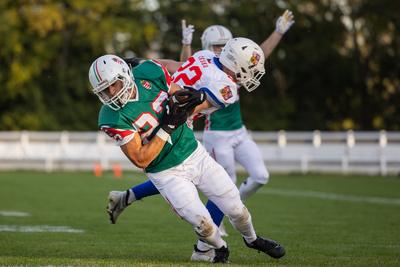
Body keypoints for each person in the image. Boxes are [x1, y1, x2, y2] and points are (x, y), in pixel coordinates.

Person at [117, 10, 294, 262]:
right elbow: (192, 106)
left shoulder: (205, 56)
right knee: (201, 188)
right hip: (173, 122)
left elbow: (176, 70)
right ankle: (209, 245)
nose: (252, 74)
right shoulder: (227, 88)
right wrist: (180, 99)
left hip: (168, 109)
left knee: (228, 194)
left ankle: (242, 238)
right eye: (249, 69)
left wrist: (149, 64)